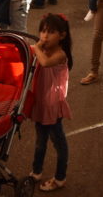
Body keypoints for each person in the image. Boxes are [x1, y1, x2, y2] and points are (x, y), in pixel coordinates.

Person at [30, 13, 73, 192]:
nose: (45, 36)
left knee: (59, 142)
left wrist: (36, 47)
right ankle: (36, 171)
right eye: (43, 31)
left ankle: (60, 177)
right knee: (40, 140)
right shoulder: (44, 50)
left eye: (51, 32)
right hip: (41, 103)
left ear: (62, 35)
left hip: (53, 105)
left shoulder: (60, 54)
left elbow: (46, 63)